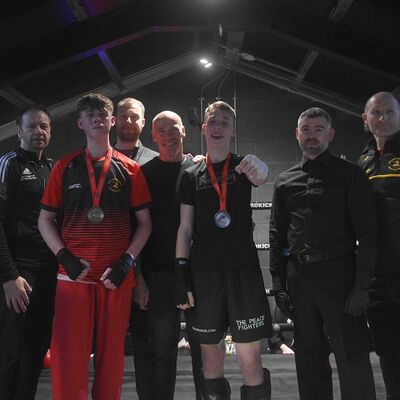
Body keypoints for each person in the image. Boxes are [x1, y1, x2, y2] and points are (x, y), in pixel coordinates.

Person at [38, 93, 152, 400]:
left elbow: (145, 223)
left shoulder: (131, 170)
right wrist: (64, 256)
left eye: (103, 114)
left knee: (111, 358)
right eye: (90, 115)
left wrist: (127, 262)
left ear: (112, 121)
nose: (97, 119)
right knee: (68, 358)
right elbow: (44, 219)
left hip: (116, 279)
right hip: (72, 277)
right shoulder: (64, 168)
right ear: (80, 123)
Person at [269, 106, 377, 400]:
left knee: (352, 356)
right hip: (300, 278)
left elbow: (368, 236)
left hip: (340, 275)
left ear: (330, 134)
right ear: (297, 134)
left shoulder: (351, 176)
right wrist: (278, 284)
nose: (311, 135)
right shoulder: (284, 181)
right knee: (308, 358)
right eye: (306, 129)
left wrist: (362, 288)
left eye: (318, 130)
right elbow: (277, 236)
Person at [175, 101, 272, 400]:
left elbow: (262, 176)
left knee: (249, 359)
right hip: (205, 275)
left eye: (224, 122)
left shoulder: (245, 166)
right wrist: (181, 272)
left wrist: (261, 166)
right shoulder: (190, 174)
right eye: (213, 122)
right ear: (203, 128)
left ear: (233, 129)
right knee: (210, 358)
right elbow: (185, 228)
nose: (218, 127)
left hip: (243, 273)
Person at [114, 98, 202, 399]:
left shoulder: (199, 169)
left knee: (204, 353)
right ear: (153, 135)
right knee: (158, 351)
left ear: (184, 132)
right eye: (161, 129)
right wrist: (138, 278)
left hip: (199, 274)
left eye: (173, 128)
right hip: (157, 275)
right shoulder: (143, 174)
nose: (168, 134)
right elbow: (134, 228)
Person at [0, 105, 57, 400]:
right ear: (18, 130)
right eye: (32, 126)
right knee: (9, 353)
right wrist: (9, 276)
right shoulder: (8, 163)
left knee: (35, 350)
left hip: (48, 274)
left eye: (44, 127)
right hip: (18, 274)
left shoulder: (52, 168)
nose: (39, 132)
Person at [359, 91, 400, 400]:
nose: (383, 118)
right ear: (366, 119)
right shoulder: (364, 160)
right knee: (387, 350)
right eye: (377, 113)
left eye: (389, 112)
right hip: (378, 276)